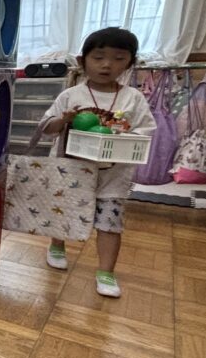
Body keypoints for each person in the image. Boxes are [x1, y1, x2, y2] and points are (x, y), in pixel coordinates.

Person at [40, 27, 155, 298]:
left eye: (118, 58)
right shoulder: (70, 95)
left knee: (110, 223)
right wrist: (64, 120)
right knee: (62, 210)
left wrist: (125, 134)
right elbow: (46, 127)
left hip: (113, 175)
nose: (107, 65)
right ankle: (57, 245)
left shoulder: (133, 98)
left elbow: (146, 130)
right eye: (99, 57)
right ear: (83, 61)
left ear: (130, 63)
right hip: (71, 170)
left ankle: (106, 271)